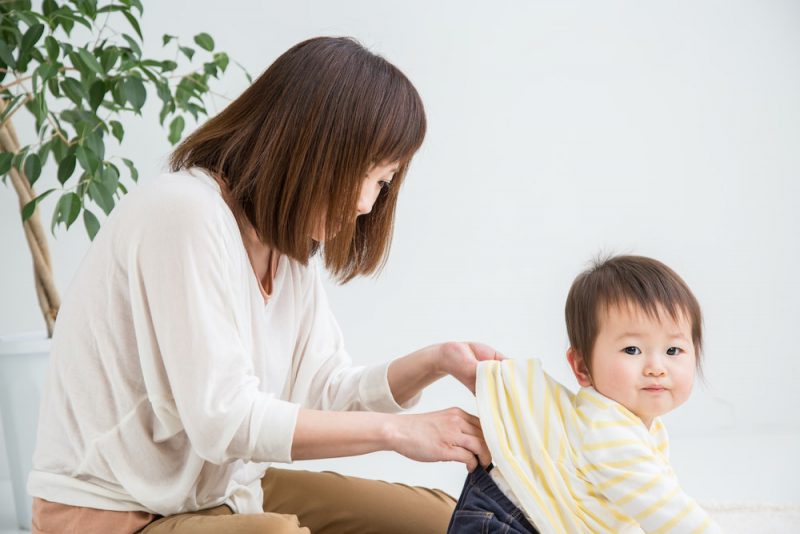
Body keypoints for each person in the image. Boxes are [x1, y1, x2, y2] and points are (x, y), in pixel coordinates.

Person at [28, 36, 500, 534]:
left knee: (445, 521)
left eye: (382, 182)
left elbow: (324, 392)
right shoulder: (183, 212)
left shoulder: (287, 250)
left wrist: (436, 362)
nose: (366, 203)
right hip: (113, 512)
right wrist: (396, 432)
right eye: (361, 174)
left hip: (225, 494)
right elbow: (223, 420)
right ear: (306, 147)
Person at [448, 255, 723, 534]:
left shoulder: (639, 425)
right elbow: (668, 512)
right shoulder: (608, 430)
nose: (656, 368)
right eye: (632, 350)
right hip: (505, 522)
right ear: (582, 367)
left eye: (673, 350)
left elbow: (636, 508)